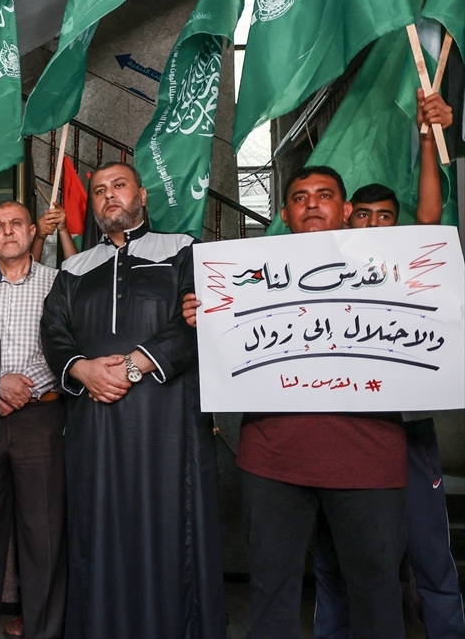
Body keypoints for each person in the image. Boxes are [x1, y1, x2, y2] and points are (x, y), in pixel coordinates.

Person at [184, 165, 407, 639]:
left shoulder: (391, 267)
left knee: (375, 593)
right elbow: (228, 343)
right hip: (273, 459)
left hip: (368, 456)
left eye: (324, 195)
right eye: (300, 196)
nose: (311, 203)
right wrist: (206, 314)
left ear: (346, 210)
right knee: (272, 593)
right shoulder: (250, 274)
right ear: (284, 213)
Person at [41, 161, 225, 639]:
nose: (108, 196)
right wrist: (82, 369)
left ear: (142, 195)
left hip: (168, 427)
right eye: (100, 190)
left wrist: (136, 363)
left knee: (169, 534)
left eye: (119, 186)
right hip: (94, 430)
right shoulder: (72, 268)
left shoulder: (184, 250)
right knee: (97, 538)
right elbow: (54, 335)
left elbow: (197, 323)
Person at [312, 91, 463, 639]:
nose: (376, 226)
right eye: (366, 216)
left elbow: (429, 213)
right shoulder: (323, 265)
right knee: (334, 565)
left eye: (386, 217)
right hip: (343, 432)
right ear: (348, 217)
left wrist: (427, 138)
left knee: (431, 558)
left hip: (407, 429)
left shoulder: (409, 258)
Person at [0, 202, 65, 639]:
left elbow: (65, 344)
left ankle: (44, 631)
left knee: (43, 533)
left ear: (32, 229)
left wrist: (25, 389)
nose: (7, 231)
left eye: (16, 223)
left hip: (41, 415)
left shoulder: (59, 283)